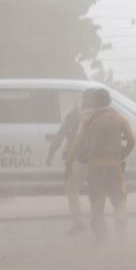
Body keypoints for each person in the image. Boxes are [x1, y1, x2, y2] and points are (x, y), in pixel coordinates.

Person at [68, 88, 136, 245]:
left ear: (95, 102)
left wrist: (69, 162)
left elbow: (77, 143)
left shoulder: (88, 120)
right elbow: (132, 141)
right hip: (114, 167)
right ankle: (122, 237)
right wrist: (124, 153)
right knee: (119, 201)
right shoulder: (120, 119)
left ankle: (100, 237)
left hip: (95, 169)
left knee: (97, 203)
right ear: (109, 101)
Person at [46, 90, 93, 234]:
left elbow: (60, 137)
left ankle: (79, 223)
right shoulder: (103, 116)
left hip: (78, 160)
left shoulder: (73, 116)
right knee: (97, 192)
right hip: (98, 160)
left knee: (72, 191)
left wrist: (50, 154)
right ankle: (100, 223)